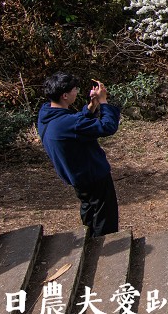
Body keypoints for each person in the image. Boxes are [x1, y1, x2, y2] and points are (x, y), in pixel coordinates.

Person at [37, 72, 121, 237]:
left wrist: (91, 106)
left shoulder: (46, 113)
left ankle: (89, 241)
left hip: (76, 177)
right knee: (105, 216)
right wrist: (103, 101)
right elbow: (108, 126)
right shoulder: (69, 123)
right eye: (74, 89)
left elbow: (72, 124)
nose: (77, 91)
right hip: (93, 175)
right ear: (65, 95)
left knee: (89, 208)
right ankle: (105, 247)